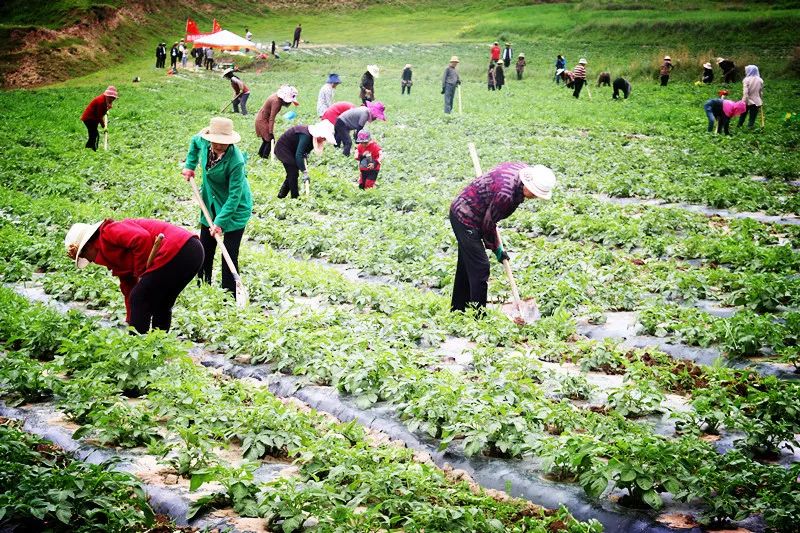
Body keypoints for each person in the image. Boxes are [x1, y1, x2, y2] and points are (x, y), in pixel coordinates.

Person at [449, 163, 556, 313]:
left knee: (467, 265)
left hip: (471, 208)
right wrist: (496, 248)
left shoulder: (521, 169)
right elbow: (488, 225)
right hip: (465, 216)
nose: (535, 197)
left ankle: (458, 310)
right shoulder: (506, 196)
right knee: (480, 267)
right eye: (535, 193)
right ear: (527, 185)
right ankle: (478, 317)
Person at [64, 219, 203, 333]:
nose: (89, 260)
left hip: (181, 249)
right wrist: (131, 319)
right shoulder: (108, 254)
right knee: (161, 303)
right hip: (191, 252)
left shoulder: (108, 232)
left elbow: (141, 238)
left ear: (88, 246)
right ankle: (158, 348)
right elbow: (128, 287)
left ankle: (137, 346)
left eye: (84, 256)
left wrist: (140, 271)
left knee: (140, 296)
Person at [182, 117, 252, 295]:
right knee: (205, 248)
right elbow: (194, 142)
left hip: (235, 208)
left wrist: (220, 222)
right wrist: (190, 166)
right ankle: (203, 289)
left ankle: (229, 295)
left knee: (228, 251)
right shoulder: (203, 143)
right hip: (211, 201)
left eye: (224, 143)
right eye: (217, 142)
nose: (220, 146)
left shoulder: (236, 161)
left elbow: (235, 195)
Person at [274, 121, 335, 199]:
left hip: (293, 150)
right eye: (323, 137)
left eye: (325, 139)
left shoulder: (312, 137)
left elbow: (304, 151)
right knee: (293, 172)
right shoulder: (305, 135)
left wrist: (304, 158)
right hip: (283, 149)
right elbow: (299, 155)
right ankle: (295, 197)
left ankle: (281, 195)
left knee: (292, 173)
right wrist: (304, 172)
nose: (323, 140)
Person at [256, 85, 299, 159]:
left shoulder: (276, 97)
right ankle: (264, 158)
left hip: (261, 118)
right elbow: (272, 118)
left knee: (266, 140)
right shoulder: (277, 102)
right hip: (262, 120)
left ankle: (260, 155)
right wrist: (271, 132)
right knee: (270, 140)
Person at [81, 86, 117, 151]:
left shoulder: (105, 98)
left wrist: (106, 109)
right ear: (108, 96)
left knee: (93, 134)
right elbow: (99, 116)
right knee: (94, 134)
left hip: (93, 118)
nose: (112, 100)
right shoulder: (101, 101)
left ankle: (90, 148)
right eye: (111, 98)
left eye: (113, 98)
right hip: (89, 119)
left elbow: (107, 105)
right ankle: (91, 149)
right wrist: (104, 126)